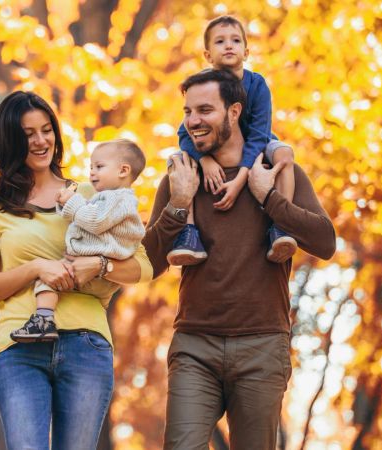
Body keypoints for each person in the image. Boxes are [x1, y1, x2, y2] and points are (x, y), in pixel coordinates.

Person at [143, 69, 336, 449]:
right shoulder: (180, 177)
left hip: (262, 344)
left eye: (204, 110)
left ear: (234, 111)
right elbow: (148, 262)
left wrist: (270, 199)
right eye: (187, 112)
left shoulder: (281, 174)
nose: (193, 121)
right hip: (195, 343)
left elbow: (325, 243)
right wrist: (179, 204)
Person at [0, 91, 153, 449]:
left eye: (47, 129)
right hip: (19, 347)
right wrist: (38, 268)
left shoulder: (92, 193)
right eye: (27, 133)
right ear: (9, 140)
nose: (41, 141)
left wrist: (99, 265)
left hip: (86, 342)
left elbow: (142, 267)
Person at [166, 15, 298, 266]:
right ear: (207, 55)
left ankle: (281, 226)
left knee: (284, 155)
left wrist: (241, 177)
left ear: (246, 52)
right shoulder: (203, 85)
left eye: (235, 40)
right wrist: (204, 160)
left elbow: (260, 133)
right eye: (220, 41)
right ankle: (189, 234)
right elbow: (185, 132)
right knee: (176, 161)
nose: (229, 45)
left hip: (256, 145)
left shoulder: (257, 84)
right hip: (213, 148)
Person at [11, 139, 147, 343]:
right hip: (96, 268)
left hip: (95, 271)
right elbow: (89, 215)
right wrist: (66, 203)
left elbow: (95, 221)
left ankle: (44, 320)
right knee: (50, 276)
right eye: (91, 167)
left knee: (48, 277)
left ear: (123, 170)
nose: (92, 172)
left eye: (99, 167)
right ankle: (44, 320)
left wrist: (72, 203)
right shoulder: (109, 198)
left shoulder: (119, 199)